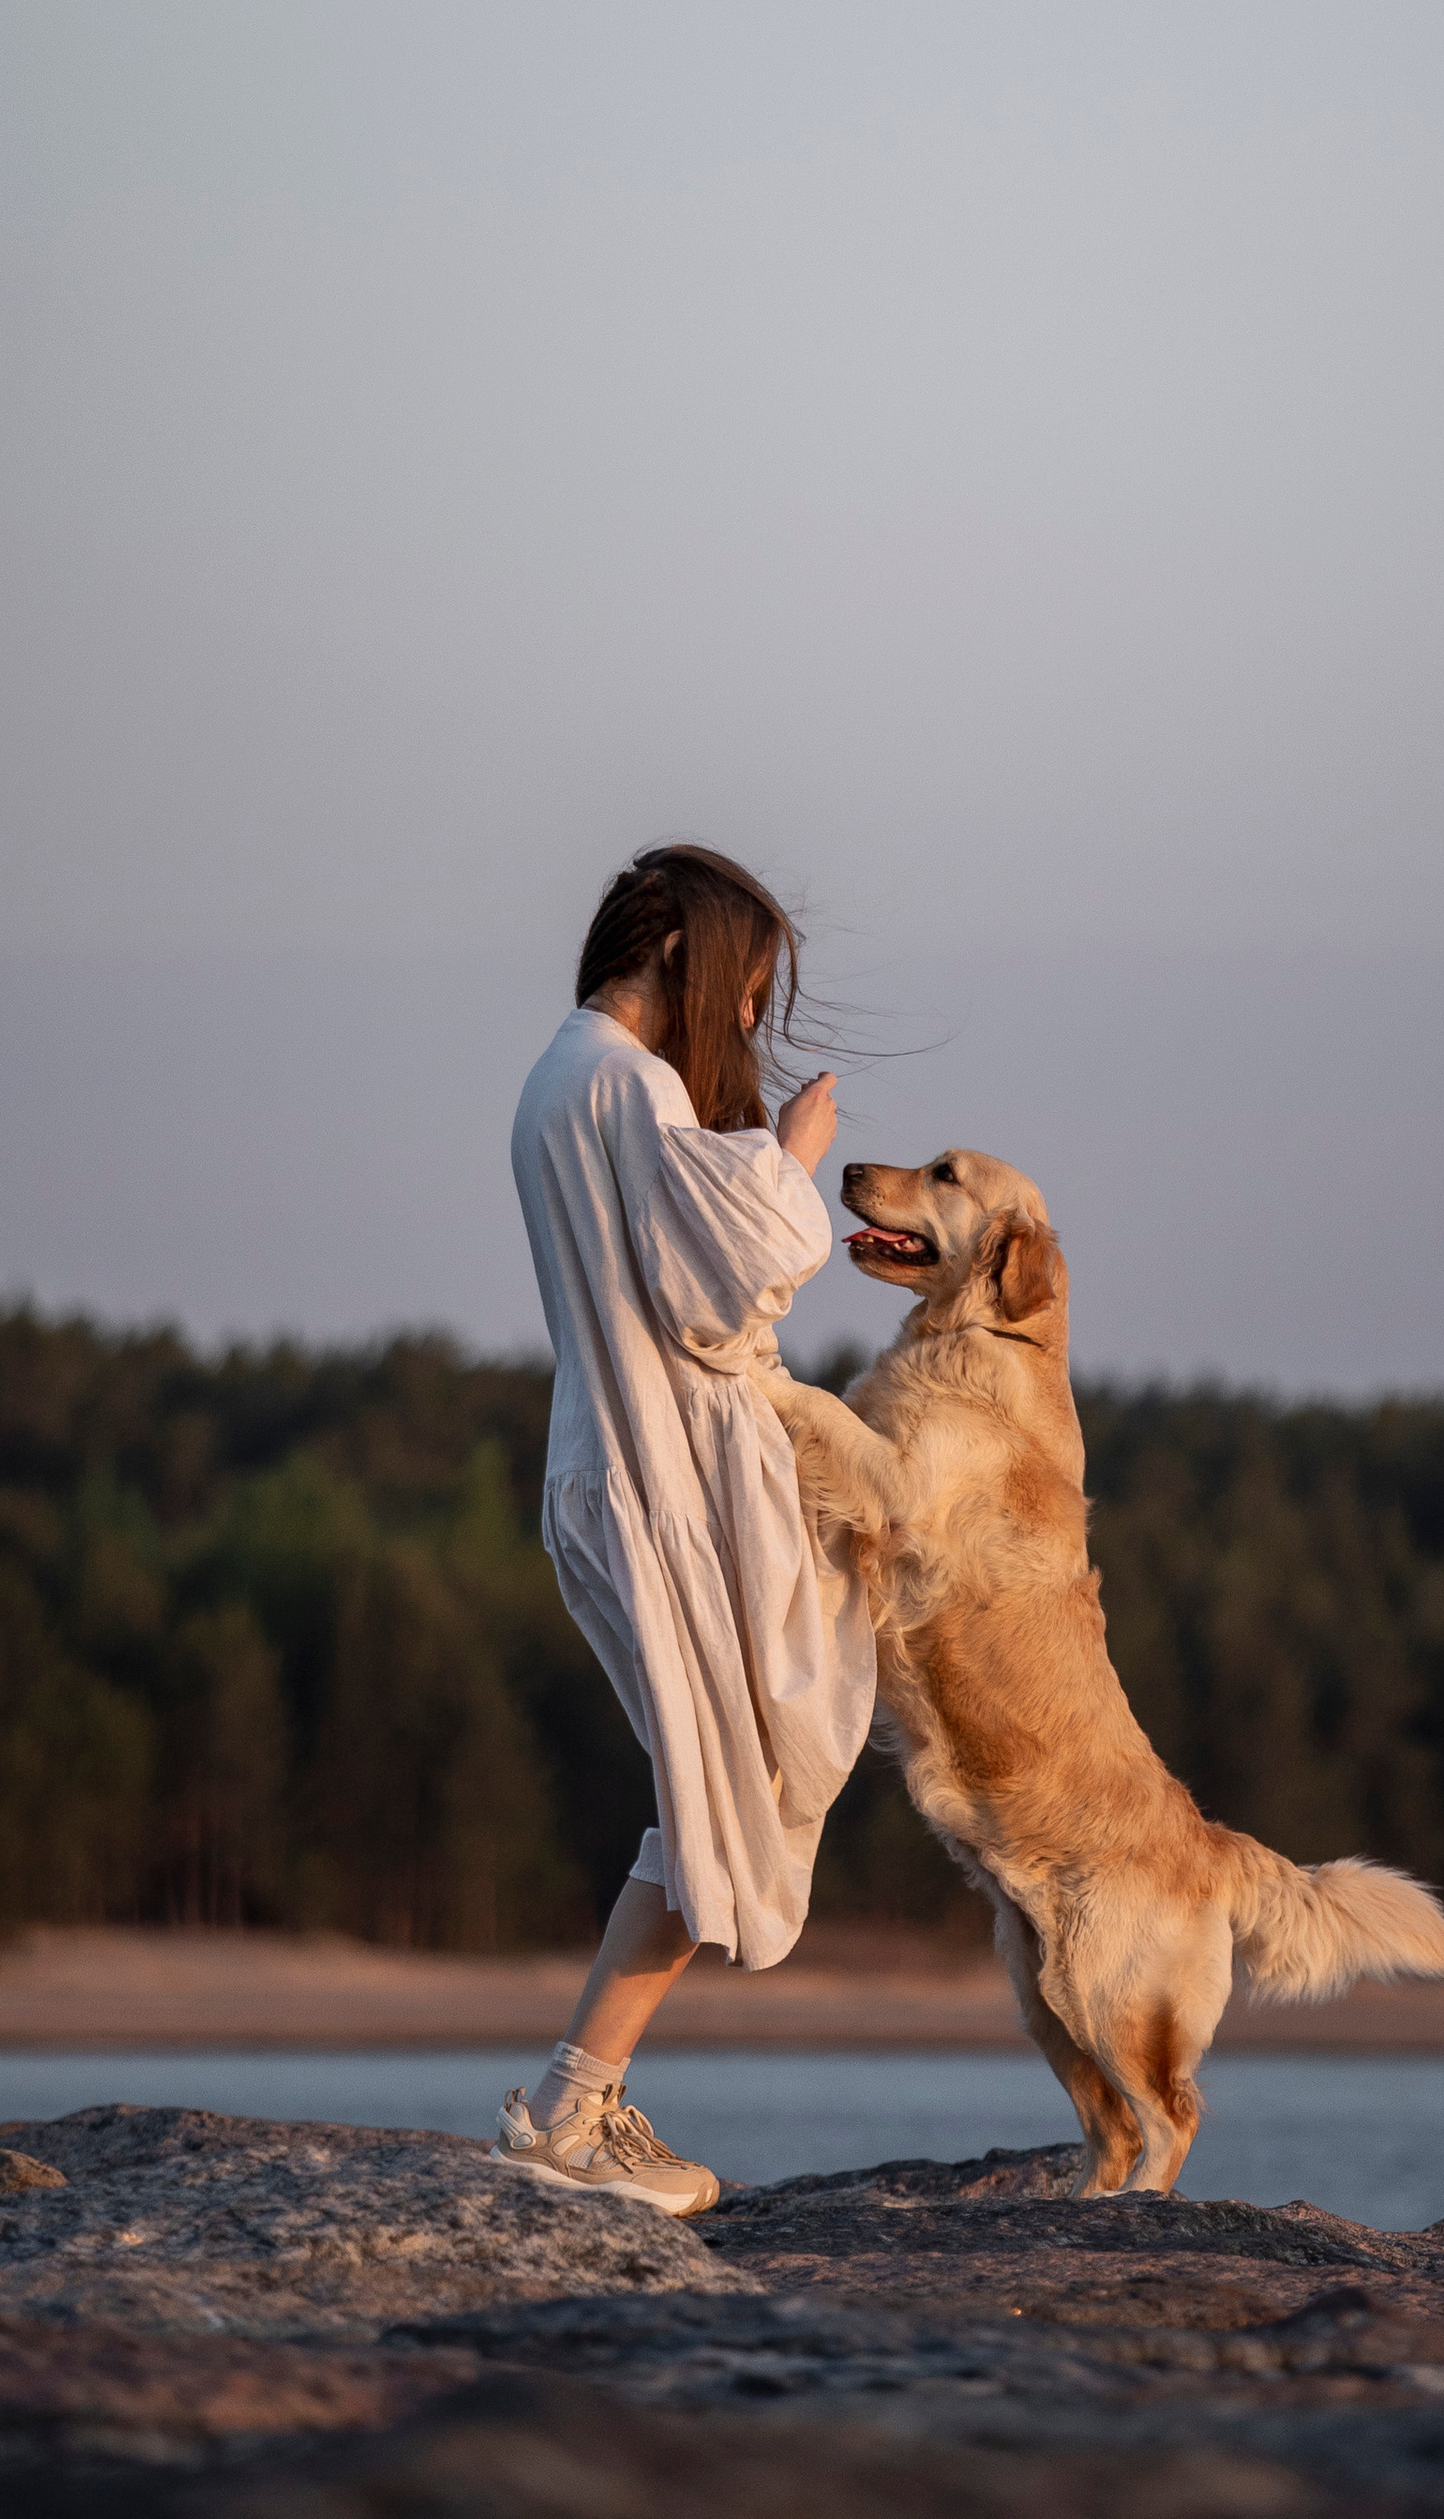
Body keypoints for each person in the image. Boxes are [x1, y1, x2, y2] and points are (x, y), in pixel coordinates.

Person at [494, 842, 872, 2212]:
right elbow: (719, 1292)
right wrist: (791, 1160)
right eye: (747, 988)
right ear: (678, 956)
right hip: (662, 1486)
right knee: (723, 1795)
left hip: (622, 1474)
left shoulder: (561, 1076)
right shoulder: (626, 1087)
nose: (749, 1023)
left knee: (719, 1792)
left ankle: (574, 2105)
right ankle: (564, 2117)